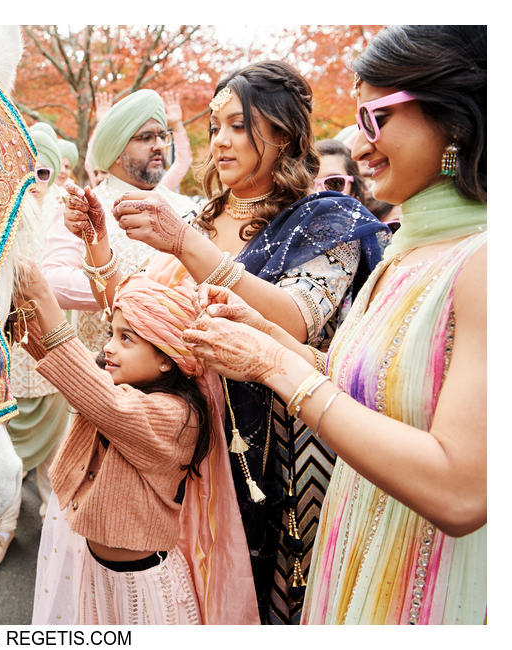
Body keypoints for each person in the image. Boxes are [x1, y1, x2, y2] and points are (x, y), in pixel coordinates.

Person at [64, 61, 389, 623]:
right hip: (186, 440)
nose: (219, 141)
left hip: (276, 447)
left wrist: (188, 244)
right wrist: (97, 244)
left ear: (283, 132)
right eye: (214, 126)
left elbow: (294, 319)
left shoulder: (327, 220)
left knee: (270, 593)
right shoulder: (202, 214)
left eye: (238, 125)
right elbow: (147, 320)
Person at [183, 25, 486, 625]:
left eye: (375, 119)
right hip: (348, 549)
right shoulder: (402, 254)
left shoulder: (481, 261)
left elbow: (461, 492)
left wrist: (274, 364)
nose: (357, 144)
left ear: (454, 118)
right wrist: (262, 337)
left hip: (424, 583)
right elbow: (359, 384)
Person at [16, 256, 257, 624]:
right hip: (97, 576)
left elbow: (107, 404)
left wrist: (46, 302)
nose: (109, 347)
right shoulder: (120, 386)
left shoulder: (177, 416)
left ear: (166, 358)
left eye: (126, 338)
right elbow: (64, 364)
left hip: (143, 591)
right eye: (112, 334)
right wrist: (20, 307)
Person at [41, 90, 198, 363]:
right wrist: (131, 291)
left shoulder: (187, 208)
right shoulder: (84, 205)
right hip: (105, 377)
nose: (159, 145)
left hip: (178, 375)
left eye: (163, 136)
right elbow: (52, 280)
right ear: (115, 149)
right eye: (146, 137)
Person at [0, 126, 70, 570]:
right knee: (7, 452)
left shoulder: (65, 214)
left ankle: (58, 532)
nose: (33, 178)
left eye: (43, 169)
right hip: (8, 358)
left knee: (56, 456)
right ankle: (2, 528)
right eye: (25, 168)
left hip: (52, 351)